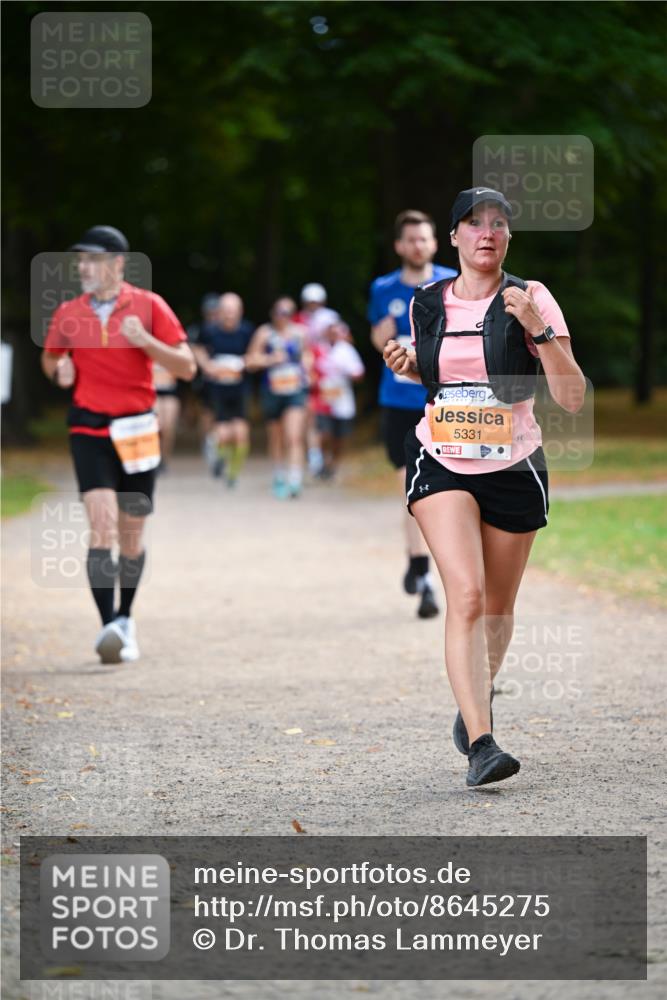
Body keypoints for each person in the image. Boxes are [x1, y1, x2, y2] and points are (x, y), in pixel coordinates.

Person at [383, 188, 586, 787]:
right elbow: (443, 376)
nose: (486, 233)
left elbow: (572, 397)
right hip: (441, 456)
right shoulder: (426, 302)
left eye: (498, 224)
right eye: (473, 224)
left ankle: (472, 698)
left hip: (513, 463)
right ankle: (482, 743)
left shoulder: (533, 297)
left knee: (498, 607)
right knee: (466, 596)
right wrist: (408, 364)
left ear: (508, 237)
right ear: (455, 238)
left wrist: (538, 330)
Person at [41, 225, 196, 664]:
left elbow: (186, 367)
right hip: (88, 429)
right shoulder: (69, 311)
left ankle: (125, 619)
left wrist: (144, 340)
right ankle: (108, 624)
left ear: (117, 264)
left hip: (137, 432)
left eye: (91, 260)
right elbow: (51, 354)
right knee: (102, 525)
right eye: (80, 261)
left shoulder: (149, 306)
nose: (84, 268)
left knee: (131, 534)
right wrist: (58, 370)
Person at [369, 209, 457, 619]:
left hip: (441, 400)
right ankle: (420, 564)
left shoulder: (450, 283)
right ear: (400, 246)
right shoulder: (382, 287)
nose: (418, 245)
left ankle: (425, 570)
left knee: (437, 489)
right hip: (398, 403)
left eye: (425, 238)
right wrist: (384, 341)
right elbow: (377, 335)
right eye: (411, 239)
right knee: (411, 486)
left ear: (435, 243)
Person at [246, 297, 310, 499]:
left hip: (295, 391)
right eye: (280, 312)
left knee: (294, 435)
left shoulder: (300, 333)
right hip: (272, 391)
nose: (284, 317)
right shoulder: (264, 333)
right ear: (273, 313)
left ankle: (295, 479)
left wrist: (307, 369)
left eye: (288, 313)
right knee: (276, 436)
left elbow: (308, 355)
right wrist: (270, 359)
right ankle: (279, 474)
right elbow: (250, 360)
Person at [191, 292, 255, 486]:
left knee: (241, 434)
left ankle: (233, 475)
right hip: (217, 391)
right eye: (226, 311)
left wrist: (246, 362)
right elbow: (197, 349)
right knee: (224, 435)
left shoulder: (247, 331)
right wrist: (207, 365)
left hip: (240, 390)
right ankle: (219, 459)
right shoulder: (210, 331)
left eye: (233, 311)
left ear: (240, 312)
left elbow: (256, 353)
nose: (229, 315)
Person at [309, 311, 365, 479]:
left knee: (340, 438)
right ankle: (322, 461)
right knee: (324, 434)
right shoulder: (317, 349)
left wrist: (348, 372)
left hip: (342, 401)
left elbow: (359, 373)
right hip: (323, 400)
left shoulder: (345, 349)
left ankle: (332, 465)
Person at [294, 282, 329, 477]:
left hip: (328, 373)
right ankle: (314, 455)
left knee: (329, 418)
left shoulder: (331, 319)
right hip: (305, 373)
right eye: (310, 302)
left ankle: (322, 456)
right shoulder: (297, 320)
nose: (313, 305)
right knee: (311, 416)